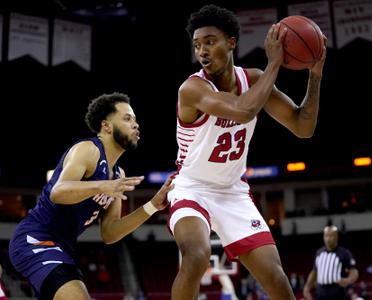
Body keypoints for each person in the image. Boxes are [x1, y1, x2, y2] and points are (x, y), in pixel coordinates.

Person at [168, 4, 326, 300]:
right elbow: (244, 111)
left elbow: (303, 128)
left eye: (210, 42)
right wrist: (275, 64)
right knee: (197, 256)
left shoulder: (252, 80)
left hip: (232, 192)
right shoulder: (191, 89)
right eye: (197, 45)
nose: (202, 51)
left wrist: (314, 76)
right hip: (192, 189)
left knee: (277, 279)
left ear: (231, 43)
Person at [8, 92, 172, 300]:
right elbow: (58, 193)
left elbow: (110, 233)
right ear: (106, 126)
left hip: (62, 247)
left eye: (136, 119)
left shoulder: (118, 175)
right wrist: (101, 186)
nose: (136, 124)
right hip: (35, 238)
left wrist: (152, 206)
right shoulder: (88, 150)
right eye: (127, 118)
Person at [303, 225, 359, 300]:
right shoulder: (319, 253)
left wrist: (348, 280)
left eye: (331, 236)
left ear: (336, 237)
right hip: (320, 293)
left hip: (337, 293)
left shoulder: (344, 253)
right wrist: (307, 287)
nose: (328, 239)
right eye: (326, 236)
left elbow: (354, 271)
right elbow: (314, 272)